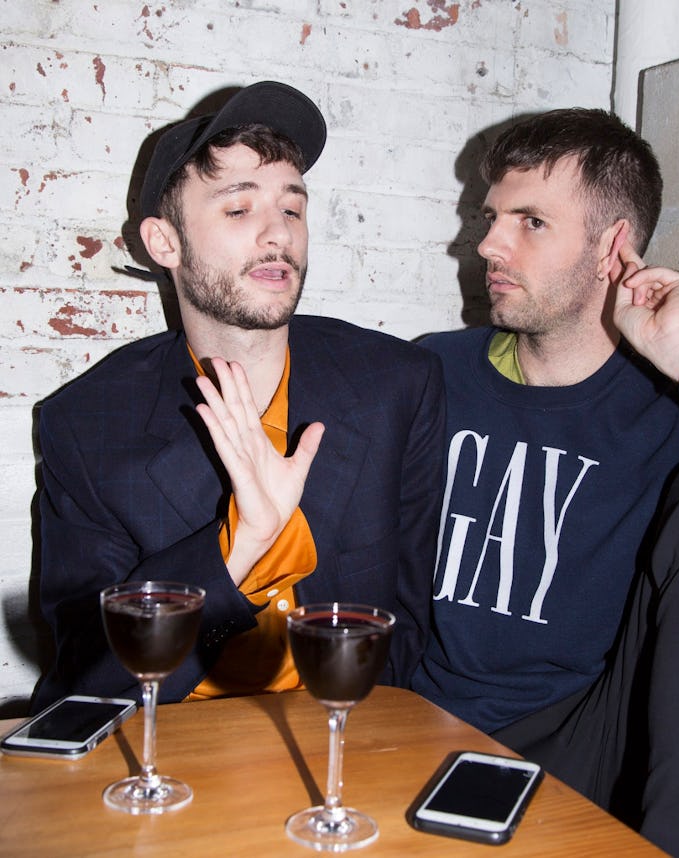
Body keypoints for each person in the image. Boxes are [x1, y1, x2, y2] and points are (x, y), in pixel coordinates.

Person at [411, 108, 679, 858]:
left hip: (578, 740)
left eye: (530, 221)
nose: (487, 245)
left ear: (613, 247)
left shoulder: (671, 414)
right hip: (413, 721)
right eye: (490, 216)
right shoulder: (432, 372)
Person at [33, 81, 444, 712]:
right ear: (164, 243)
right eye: (238, 209)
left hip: (339, 738)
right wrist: (240, 546)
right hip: (172, 746)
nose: (277, 234)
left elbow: (406, 632)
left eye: (292, 208)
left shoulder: (395, 385)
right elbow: (88, 681)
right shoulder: (86, 424)